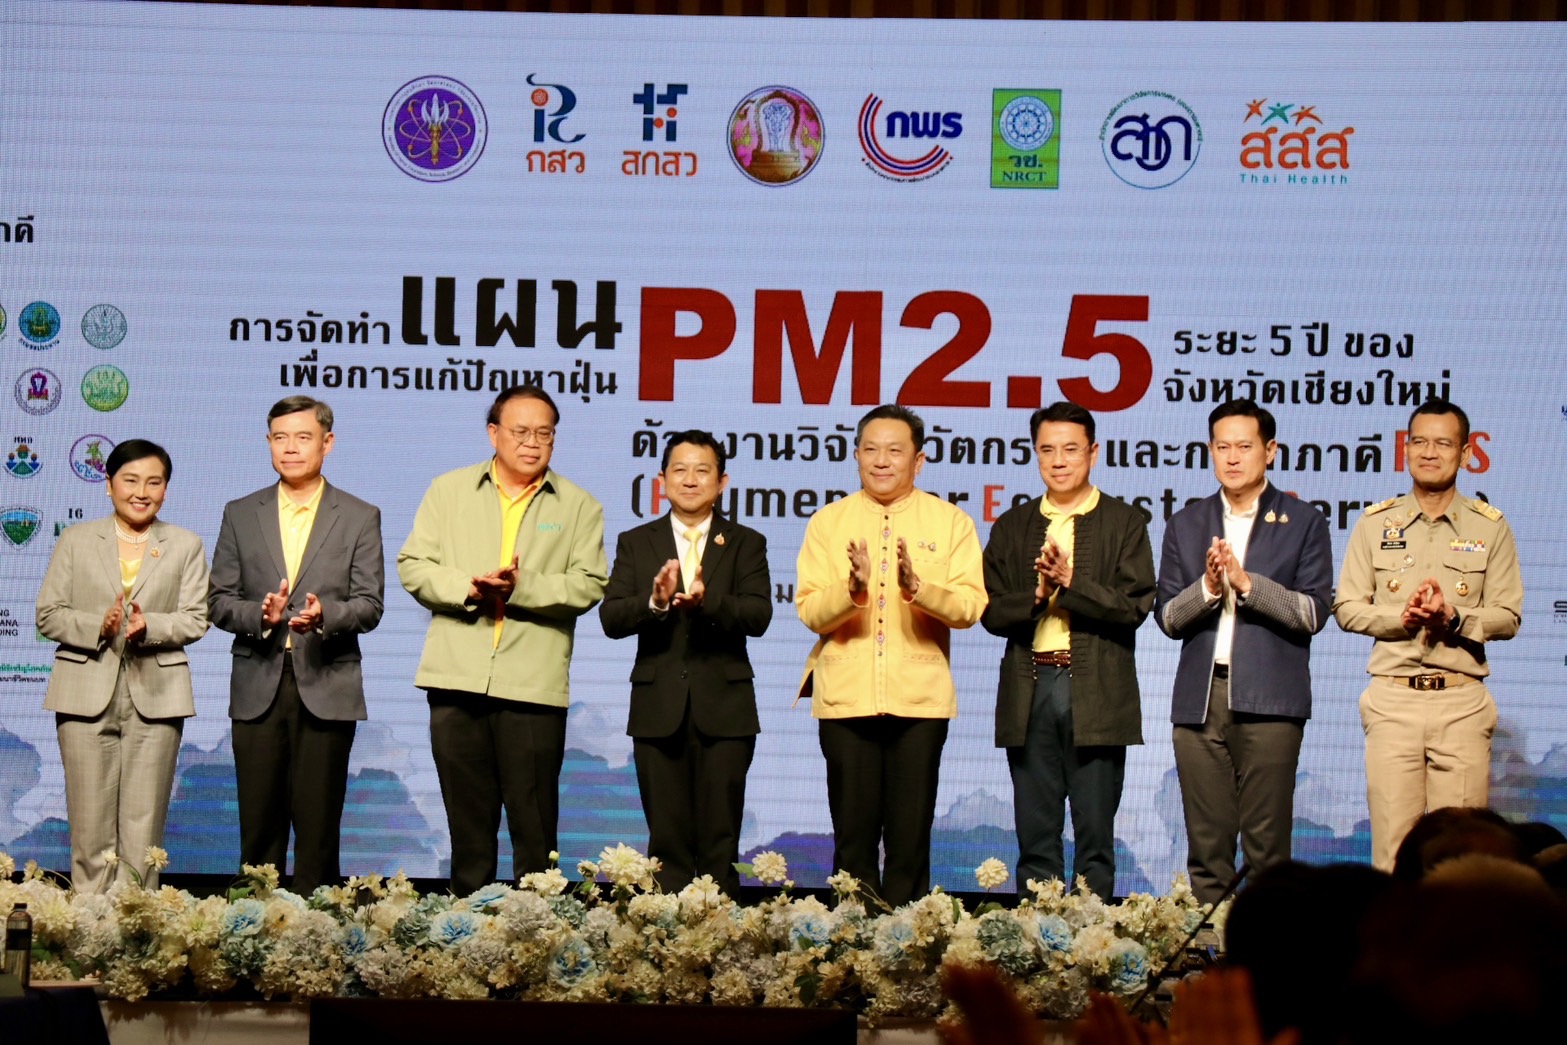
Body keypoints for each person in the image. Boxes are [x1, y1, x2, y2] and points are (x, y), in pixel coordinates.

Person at [398, 383, 606, 896]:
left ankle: (541, 928)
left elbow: (589, 585)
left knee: (534, 829)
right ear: (493, 433)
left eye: (544, 434)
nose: (532, 443)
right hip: (455, 679)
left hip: (533, 686)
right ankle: (467, 926)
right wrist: (469, 587)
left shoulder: (579, 505)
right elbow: (413, 566)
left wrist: (521, 588)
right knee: (468, 827)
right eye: (520, 431)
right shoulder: (448, 490)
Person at [795, 404, 986, 907]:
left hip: (919, 702)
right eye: (871, 450)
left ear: (918, 461)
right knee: (852, 839)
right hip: (846, 700)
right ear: (856, 455)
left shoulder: (951, 522)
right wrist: (852, 588)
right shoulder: (828, 522)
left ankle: (907, 943)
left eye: (895, 451)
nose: (882, 461)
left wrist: (919, 588)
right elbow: (810, 610)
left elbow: (970, 607)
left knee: (909, 839)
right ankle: (850, 942)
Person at [1155, 399, 1333, 905]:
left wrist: (1247, 583)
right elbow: (1168, 618)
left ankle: (1268, 949)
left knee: (1266, 851)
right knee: (1206, 847)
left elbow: (1313, 613)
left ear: (1270, 451)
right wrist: (1209, 588)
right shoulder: (1187, 523)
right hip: (1200, 701)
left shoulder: (1304, 521)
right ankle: (1210, 945)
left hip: (1271, 701)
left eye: (1244, 446)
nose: (1232, 458)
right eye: (1222, 447)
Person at [1333, 399, 1522, 872]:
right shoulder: (1375, 523)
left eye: (1443, 443)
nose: (1429, 452)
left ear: (1465, 453)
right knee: (1392, 855)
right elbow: (1347, 608)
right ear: (1406, 449)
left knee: (1461, 856)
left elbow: (1508, 616)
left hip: (1461, 704)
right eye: (1419, 442)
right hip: (1392, 702)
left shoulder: (1490, 527)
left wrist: (1454, 618)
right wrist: (1404, 618)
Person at [209, 396, 384, 893]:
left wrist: (327, 615)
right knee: (258, 829)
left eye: (303, 438)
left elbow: (370, 605)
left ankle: (317, 931)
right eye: (280, 438)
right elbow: (218, 600)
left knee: (319, 830)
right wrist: (259, 617)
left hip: (328, 682)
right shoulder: (241, 513)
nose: (290, 448)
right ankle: (253, 926)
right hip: (257, 682)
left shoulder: (359, 515)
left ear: (327, 443)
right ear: (268, 443)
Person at [980, 402, 1154, 900]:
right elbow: (989, 610)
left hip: (1096, 690)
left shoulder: (1124, 521)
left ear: (1093, 453)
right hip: (1031, 687)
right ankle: (1038, 932)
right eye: (1047, 450)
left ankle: (1094, 934)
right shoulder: (1013, 525)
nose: (1059, 460)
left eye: (1071, 449)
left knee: (1095, 831)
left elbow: (1135, 605)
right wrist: (1036, 597)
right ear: (1036, 454)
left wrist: (1072, 582)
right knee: (1035, 830)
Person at [599, 431, 771, 899]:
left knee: (721, 838)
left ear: (722, 481)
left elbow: (758, 616)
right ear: (662, 480)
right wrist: (655, 602)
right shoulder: (637, 541)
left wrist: (707, 602)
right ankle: (666, 932)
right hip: (658, 708)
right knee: (666, 840)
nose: (690, 480)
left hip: (727, 709)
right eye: (680, 470)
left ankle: (720, 930)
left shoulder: (746, 542)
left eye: (702, 471)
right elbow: (611, 618)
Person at [36, 440, 208, 891]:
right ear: (108, 484)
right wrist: (99, 624)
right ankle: (89, 920)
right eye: (130, 480)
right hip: (84, 691)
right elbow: (48, 614)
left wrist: (150, 625)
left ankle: (137, 918)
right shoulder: (76, 540)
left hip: (157, 694)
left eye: (154, 482)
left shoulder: (185, 544)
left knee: (144, 827)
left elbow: (196, 618)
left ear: (166, 489)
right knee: (89, 823)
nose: (141, 492)